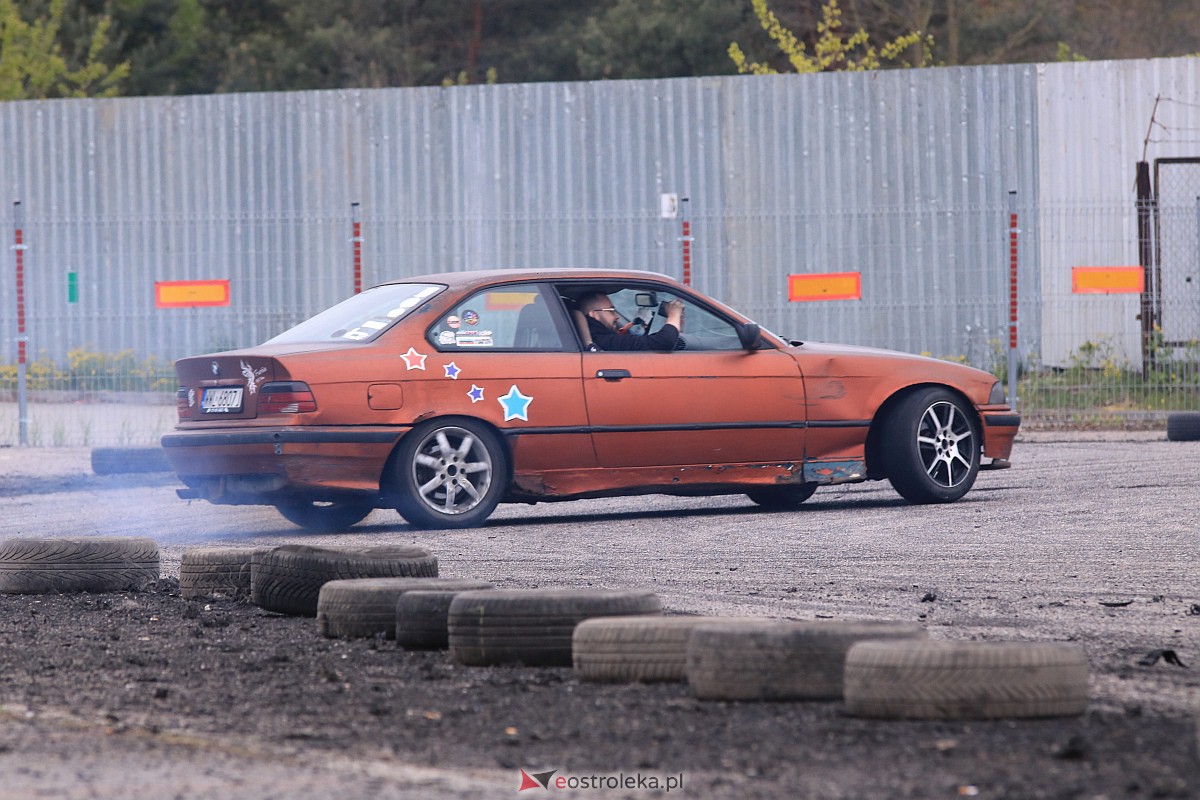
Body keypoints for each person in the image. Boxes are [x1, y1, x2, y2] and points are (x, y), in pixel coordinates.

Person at [578, 291, 684, 351]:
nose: (616, 317)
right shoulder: (604, 341)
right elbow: (664, 341)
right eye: (611, 311)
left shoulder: (593, 338)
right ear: (594, 314)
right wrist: (674, 315)